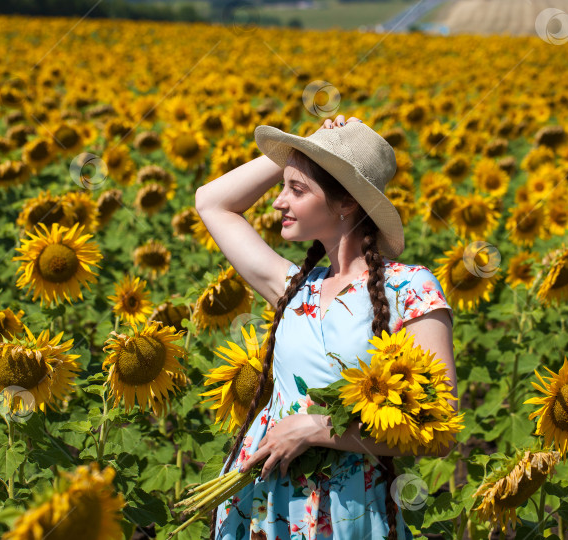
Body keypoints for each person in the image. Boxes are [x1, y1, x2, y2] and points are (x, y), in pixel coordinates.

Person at [194, 114, 458, 540]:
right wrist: (307, 146)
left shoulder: (409, 288)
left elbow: (439, 431)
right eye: (284, 185)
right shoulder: (295, 286)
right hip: (267, 502)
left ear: (346, 202)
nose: (278, 201)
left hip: (347, 507)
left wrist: (318, 429)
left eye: (296, 190)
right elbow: (211, 201)